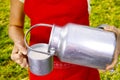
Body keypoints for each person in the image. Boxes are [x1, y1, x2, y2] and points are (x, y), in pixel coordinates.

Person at [8, 0, 120, 80]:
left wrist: (114, 36)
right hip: (42, 68)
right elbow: (15, 25)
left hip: (82, 69)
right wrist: (20, 43)